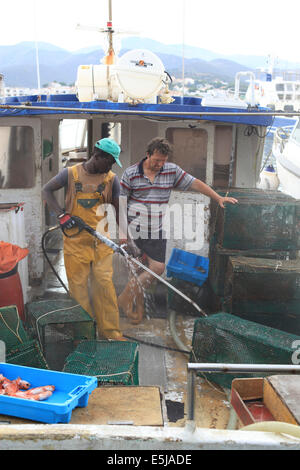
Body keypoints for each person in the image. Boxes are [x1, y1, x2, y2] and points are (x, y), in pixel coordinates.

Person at [118, 137, 238, 324]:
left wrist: (218, 198)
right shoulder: (131, 173)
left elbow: (195, 183)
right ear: (147, 155)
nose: (160, 164)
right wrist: (123, 235)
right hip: (135, 231)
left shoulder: (171, 170)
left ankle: (124, 298)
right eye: (156, 160)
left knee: (157, 268)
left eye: (163, 160)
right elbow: (121, 203)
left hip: (156, 230)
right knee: (136, 272)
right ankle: (137, 309)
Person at [42, 137, 127, 341]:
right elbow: (47, 190)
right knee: (78, 290)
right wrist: (61, 214)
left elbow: (120, 210)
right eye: (110, 161)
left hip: (101, 244)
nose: (112, 166)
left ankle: (110, 334)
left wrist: (126, 238)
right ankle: (84, 336)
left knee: (104, 286)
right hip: (75, 244)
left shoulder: (112, 179)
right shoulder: (70, 174)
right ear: (98, 157)